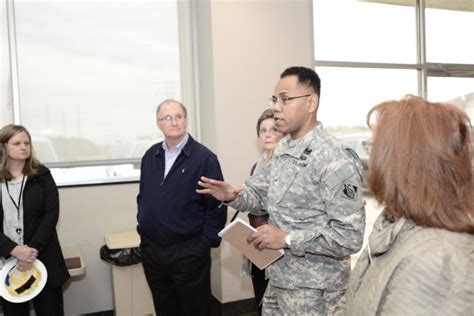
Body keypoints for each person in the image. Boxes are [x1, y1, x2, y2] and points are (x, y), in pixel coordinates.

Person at [197, 66, 366, 315]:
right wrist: (234, 196)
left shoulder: (335, 158)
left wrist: (287, 239)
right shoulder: (280, 149)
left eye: (285, 99)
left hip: (316, 294)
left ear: (311, 103)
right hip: (277, 282)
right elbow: (259, 196)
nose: (277, 106)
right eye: (275, 99)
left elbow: (349, 236)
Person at [339, 95, 474, 315]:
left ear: (403, 160)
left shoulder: (439, 259)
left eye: (373, 147)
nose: (369, 157)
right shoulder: (392, 225)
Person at [137, 99, 227, 316]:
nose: (174, 122)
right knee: (165, 309)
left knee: (195, 310)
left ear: (186, 121)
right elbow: (144, 197)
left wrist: (202, 246)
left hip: (188, 254)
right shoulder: (150, 156)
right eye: (167, 117)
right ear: (159, 124)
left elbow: (217, 207)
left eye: (179, 116)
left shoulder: (204, 158)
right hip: (153, 252)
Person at [0, 124, 70, 316]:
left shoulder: (42, 175)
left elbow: (51, 215)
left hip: (42, 257)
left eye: (27, 143)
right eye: (16, 143)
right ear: (3, 146)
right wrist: (13, 249)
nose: (23, 147)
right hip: (6, 261)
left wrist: (29, 251)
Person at [246, 108, 285, 315]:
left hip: (281, 245)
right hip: (258, 244)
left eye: (273, 129)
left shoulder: (289, 166)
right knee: (262, 300)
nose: (268, 134)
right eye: (263, 130)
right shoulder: (257, 166)